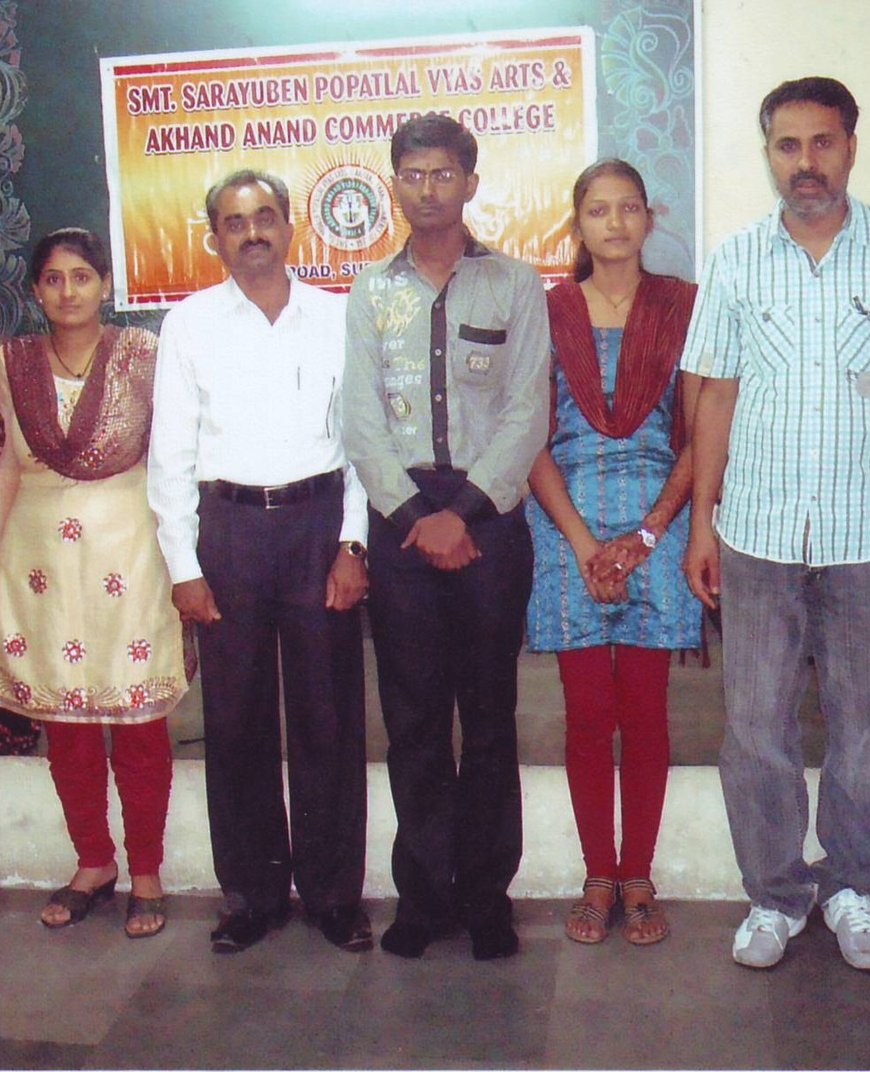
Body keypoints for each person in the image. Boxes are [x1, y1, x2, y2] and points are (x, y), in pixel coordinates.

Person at [680, 77, 870, 971]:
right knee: (756, 729)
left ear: (850, 147)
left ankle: (855, 887)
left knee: (862, 728)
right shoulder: (738, 258)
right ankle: (776, 895)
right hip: (758, 535)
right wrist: (702, 526)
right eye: (788, 146)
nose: (806, 163)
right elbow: (714, 396)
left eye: (823, 142)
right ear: (769, 156)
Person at [147, 169, 372, 955]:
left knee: (328, 718)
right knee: (235, 721)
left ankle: (335, 896)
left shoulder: (338, 317)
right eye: (235, 222)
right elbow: (170, 453)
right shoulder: (189, 325)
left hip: (318, 525)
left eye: (266, 217)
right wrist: (183, 564)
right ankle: (251, 896)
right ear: (214, 237)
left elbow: (362, 444)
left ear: (290, 227)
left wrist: (353, 544)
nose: (253, 234)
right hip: (230, 531)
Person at [343, 113, 550, 961]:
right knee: (415, 721)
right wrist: (413, 519)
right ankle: (424, 897)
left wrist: (459, 514)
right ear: (395, 184)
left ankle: (488, 898)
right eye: (412, 175)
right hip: (401, 526)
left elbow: (527, 412)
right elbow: (360, 420)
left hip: (487, 523)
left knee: (490, 717)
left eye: (442, 175)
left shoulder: (515, 284)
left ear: (470, 182)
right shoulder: (370, 291)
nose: (427, 190)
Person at [0, 228, 187, 938]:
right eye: (53, 279)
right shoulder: (12, 363)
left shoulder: (144, 356)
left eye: (81, 277)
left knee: (138, 717)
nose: (67, 291)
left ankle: (148, 870)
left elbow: (172, 459)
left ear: (105, 285)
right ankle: (93, 862)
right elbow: (5, 464)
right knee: (64, 720)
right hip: (39, 560)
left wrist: (185, 558)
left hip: (130, 552)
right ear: (35, 290)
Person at [528, 160, 700, 947]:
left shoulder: (683, 308)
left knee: (647, 712)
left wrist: (648, 533)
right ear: (579, 224)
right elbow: (529, 439)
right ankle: (599, 871)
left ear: (648, 218)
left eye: (630, 207)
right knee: (589, 714)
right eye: (599, 210)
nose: (616, 223)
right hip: (565, 522)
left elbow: (701, 435)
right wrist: (583, 541)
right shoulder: (548, 312)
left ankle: (640, 874)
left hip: (658, 523)